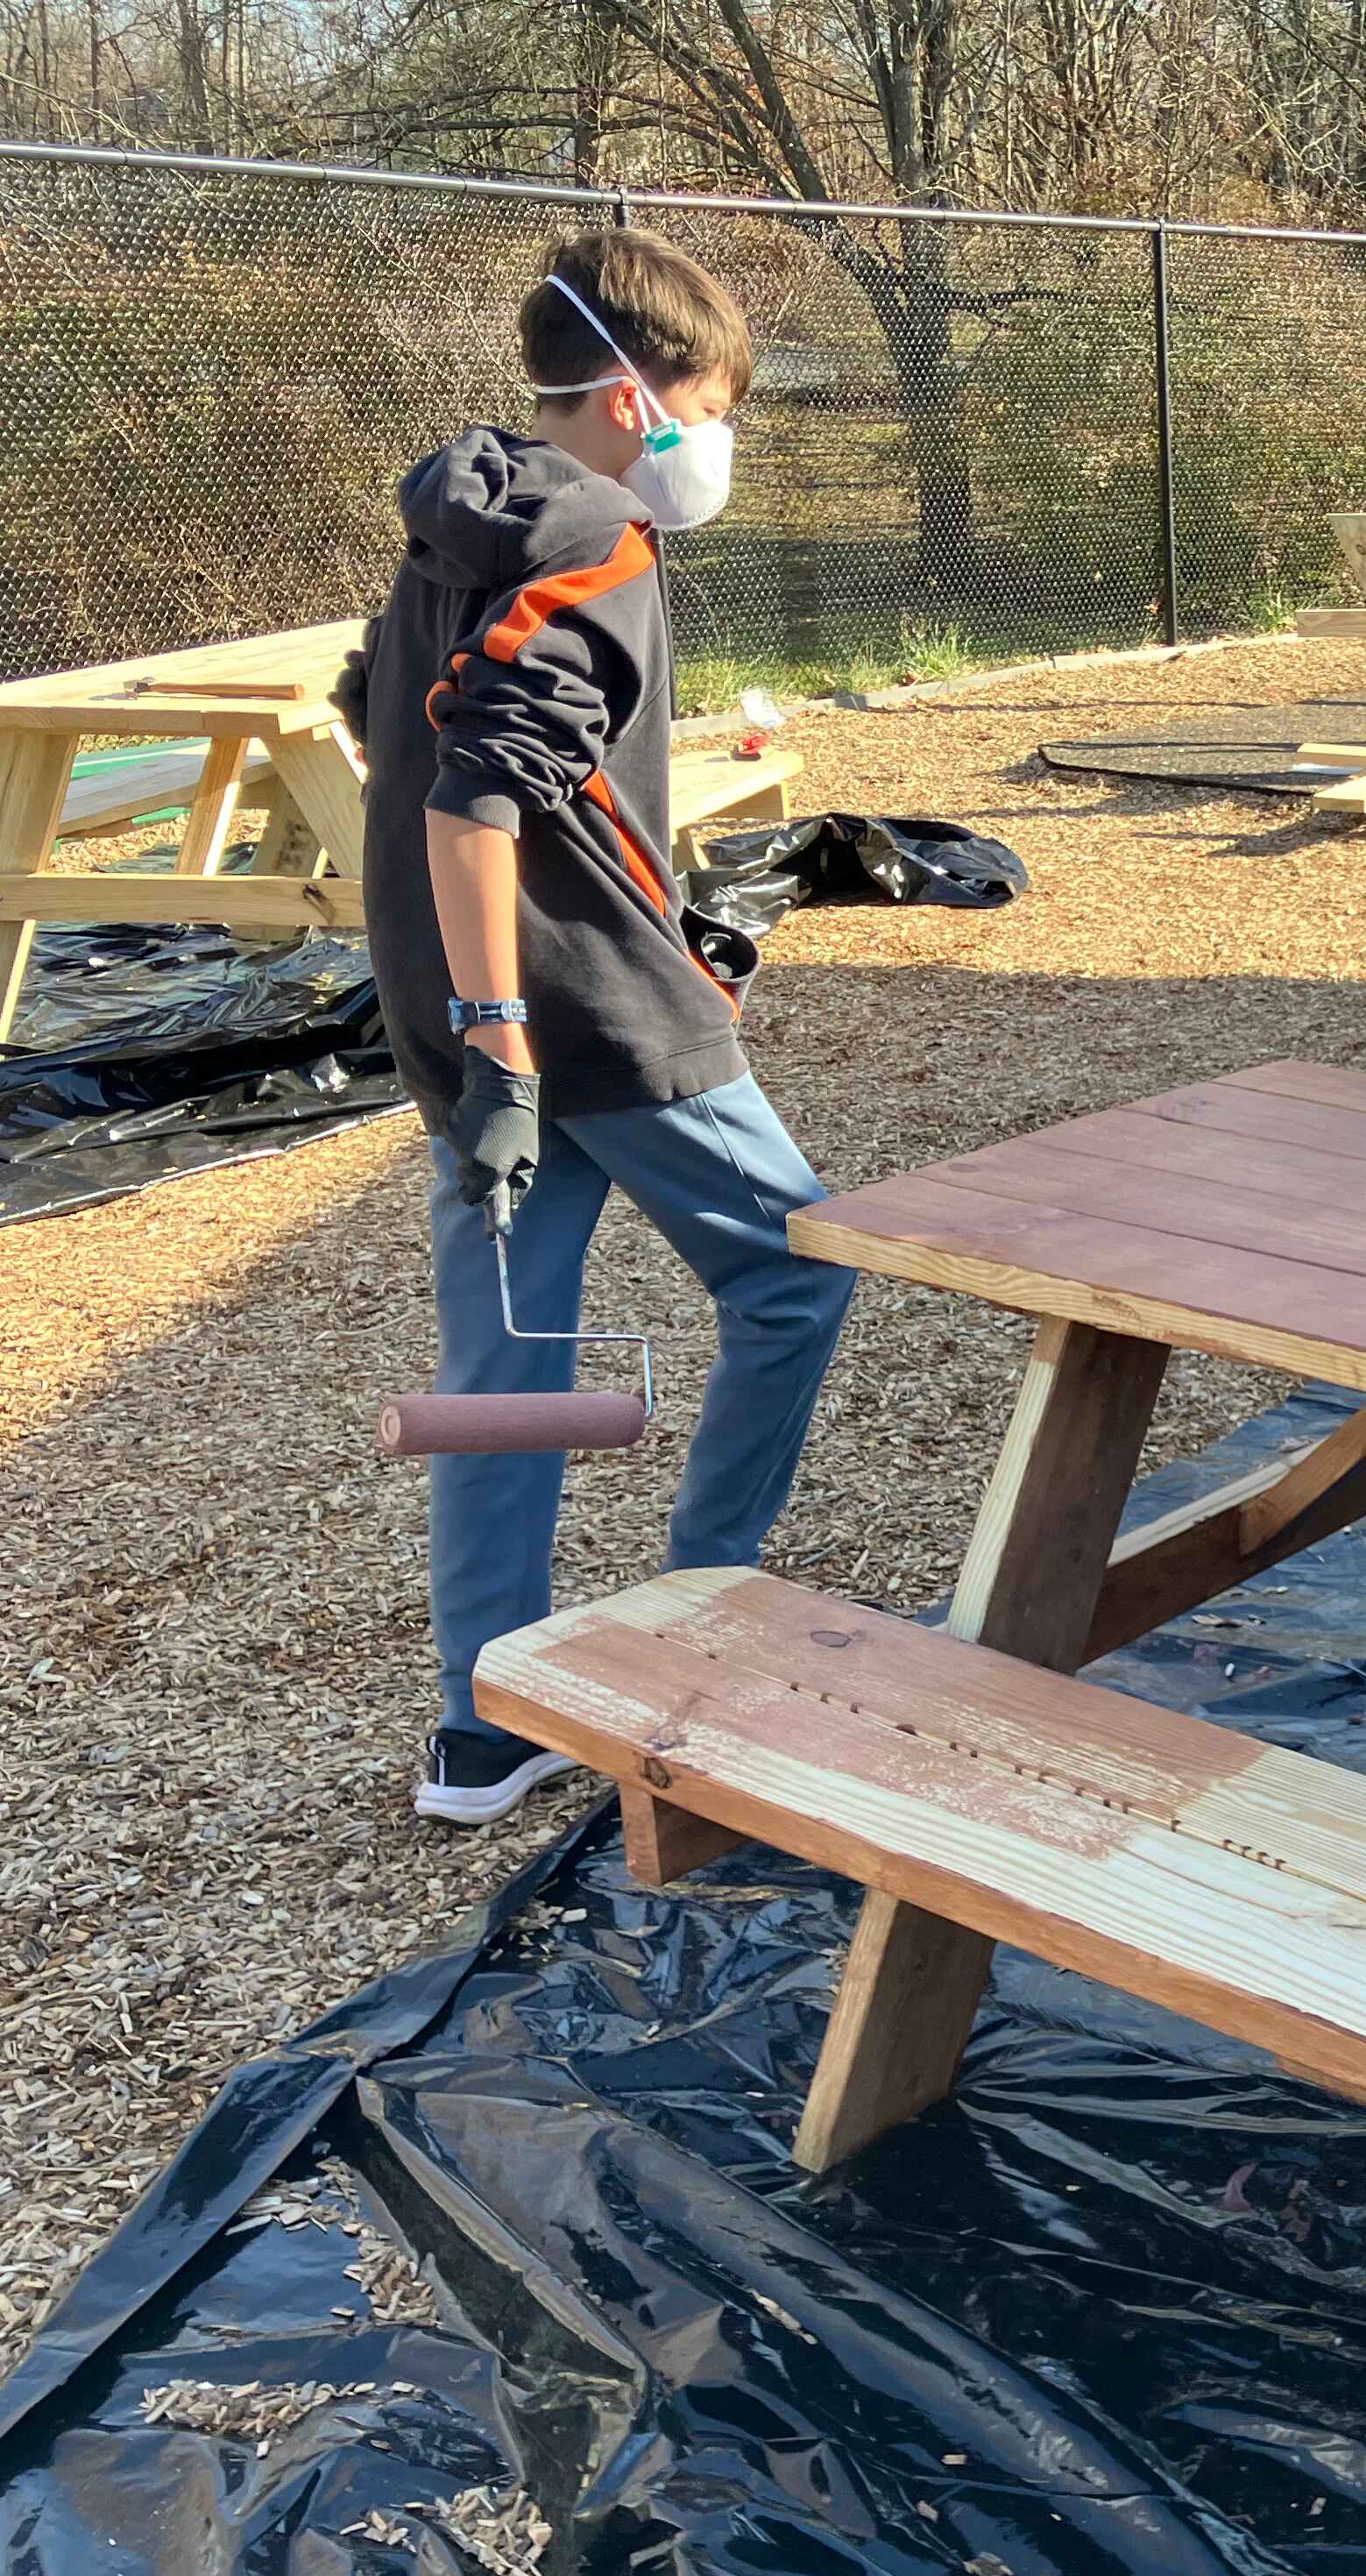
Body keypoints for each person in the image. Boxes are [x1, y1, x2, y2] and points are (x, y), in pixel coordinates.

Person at [353, 228, 854, 1827]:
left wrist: (508, 977)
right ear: (640, 400)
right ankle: (701, 1617)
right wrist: (514, 1022)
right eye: (716, 407)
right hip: (589, 1023)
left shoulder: (456, 523)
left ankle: (482, 1721)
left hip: (462, 1018)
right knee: (794, 1275)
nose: (725, 444)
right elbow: (475, 796)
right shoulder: (599, 548)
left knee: (506, 1359)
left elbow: (375, 709)